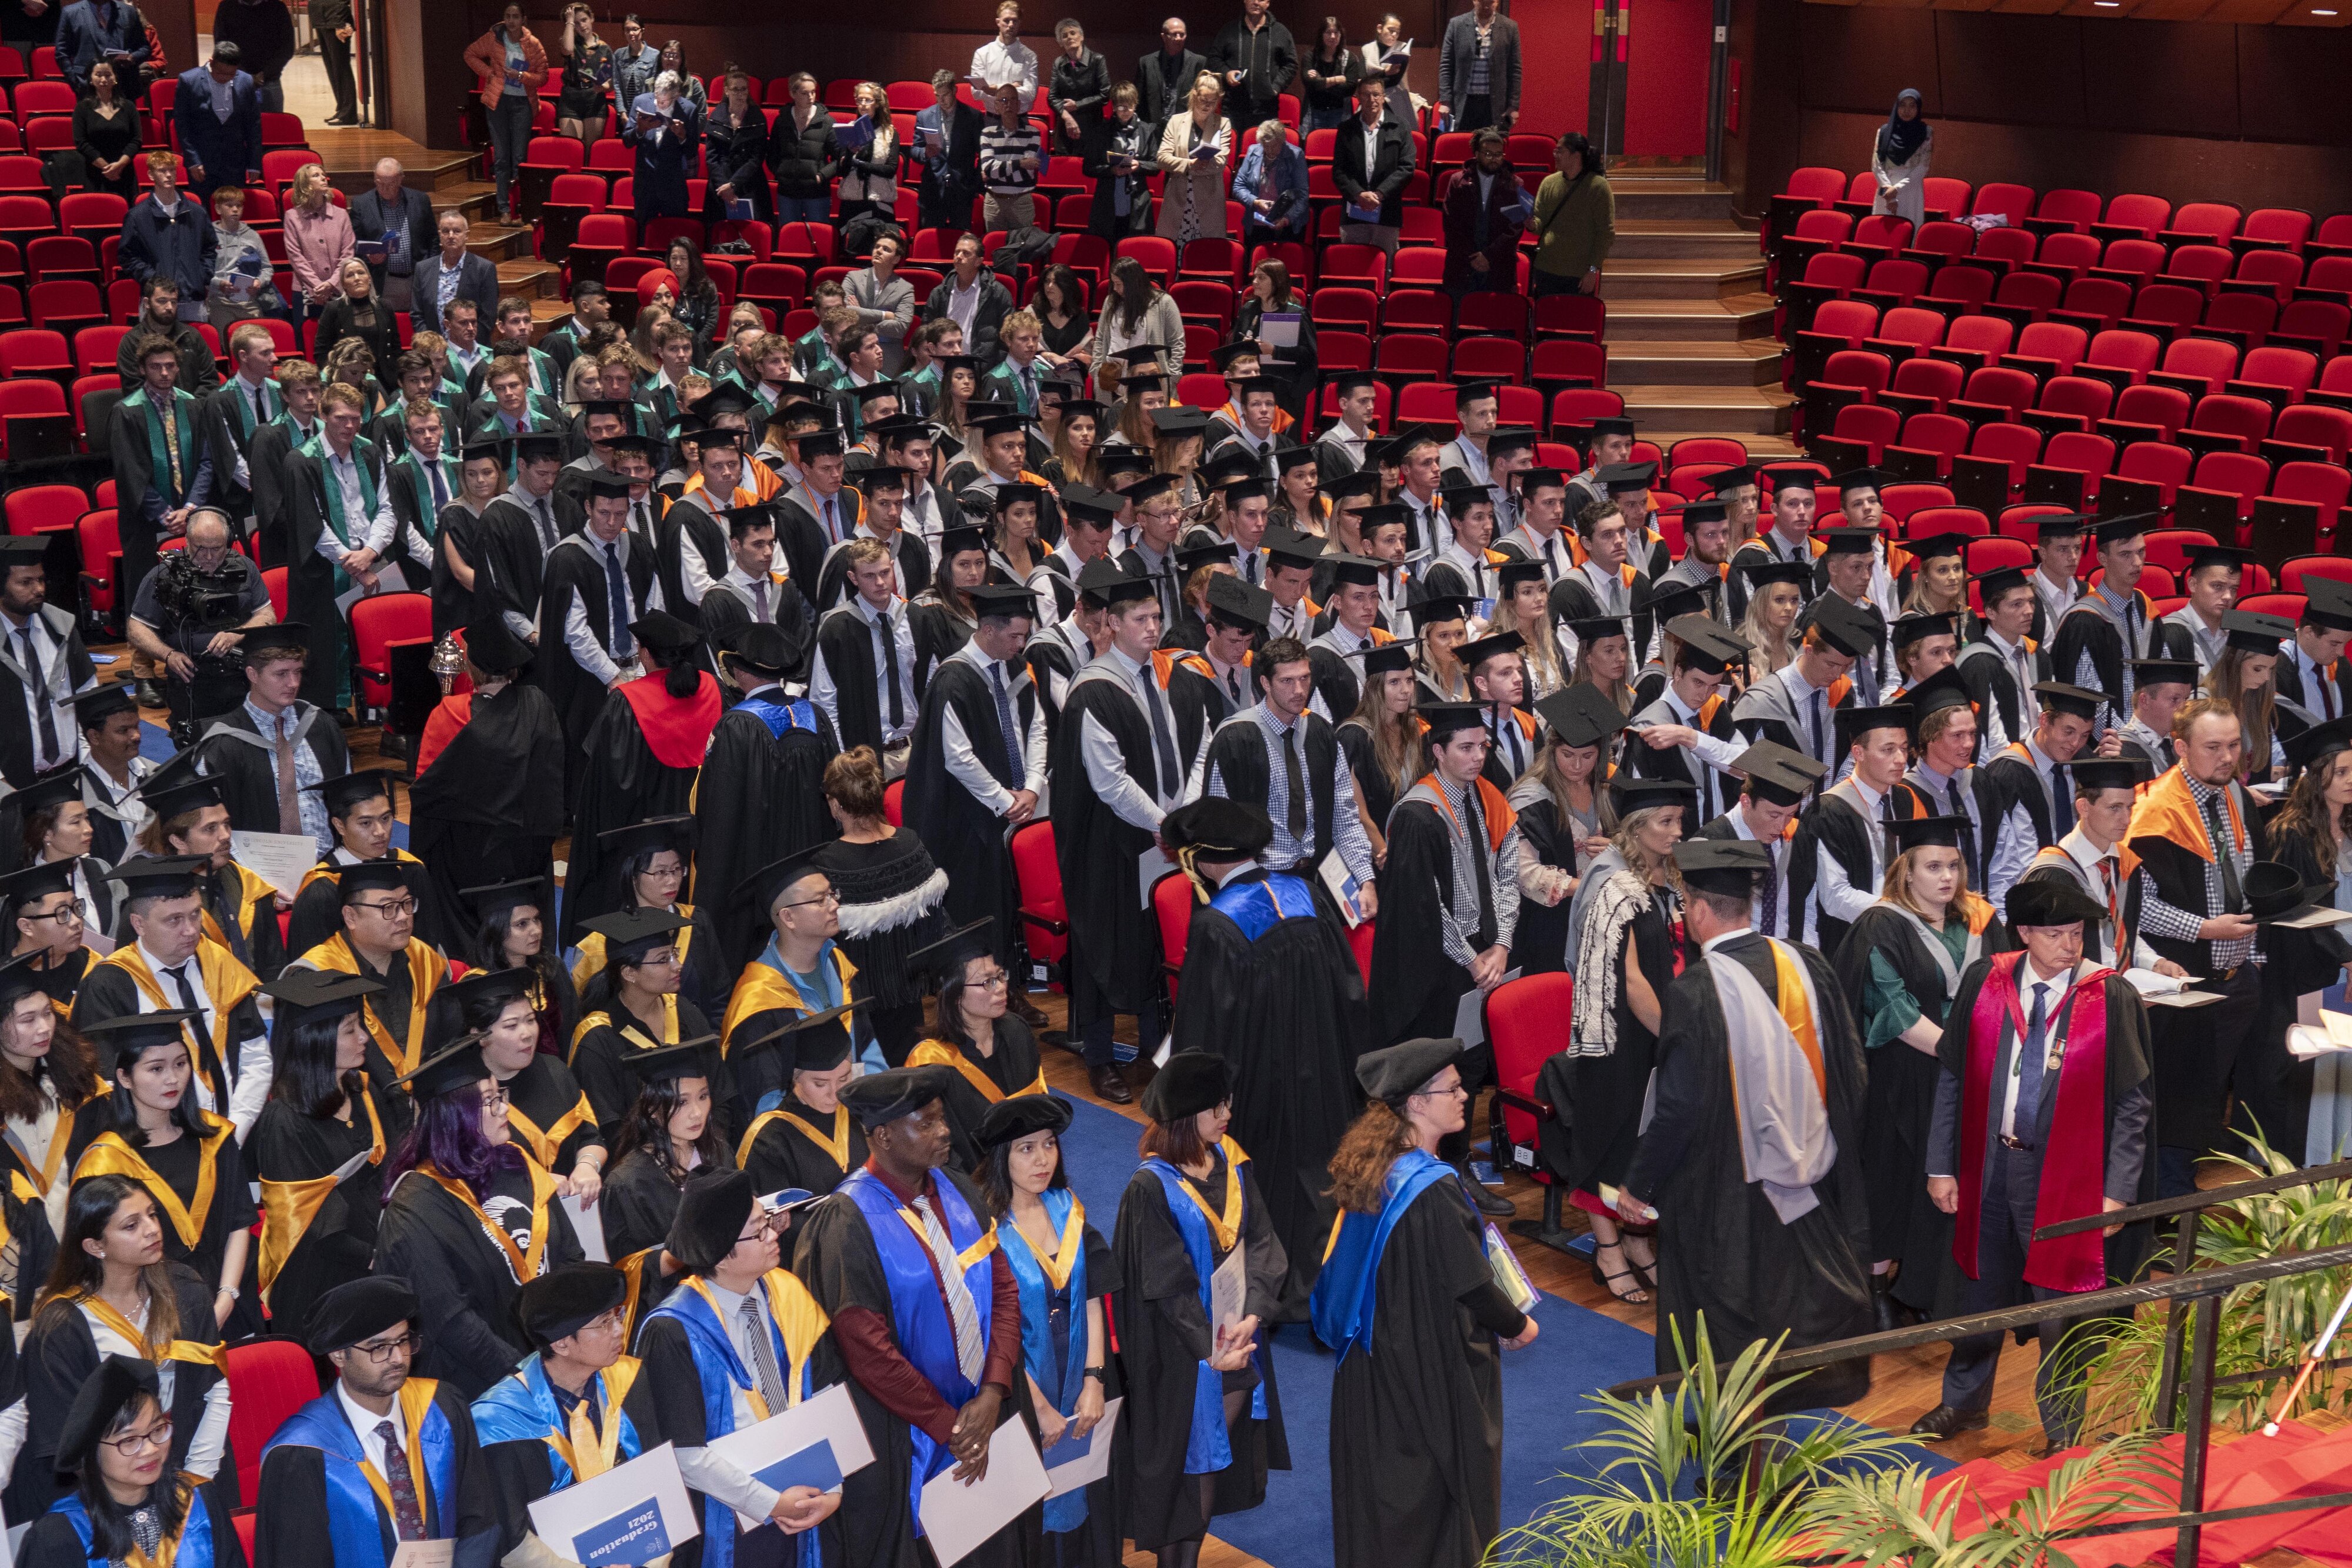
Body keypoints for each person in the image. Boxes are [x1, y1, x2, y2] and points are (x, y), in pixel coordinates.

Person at [1618, 838, 1875, 1414]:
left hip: (1727, 1197)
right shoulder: (1807, 964)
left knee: (1728, 1324)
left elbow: (1678, 1107)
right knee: (1788, 1311)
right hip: (1811, 1179)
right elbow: (1852, 1071)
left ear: (1697, 909)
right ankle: (1771, 1425)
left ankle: (1734, 1448)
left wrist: (1639, 1182)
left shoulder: (1695, 991)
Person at [1908, 876, 2153, 1446]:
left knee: (2058, 1308)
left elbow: (2133, 1101)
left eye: (2076, 933)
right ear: (2023, 933)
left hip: (2066, 1175)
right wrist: (1940, 1164)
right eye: (2054, 934)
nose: (2069, 946)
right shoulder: (1985, 981)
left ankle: (2063, 1427)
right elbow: (1952, 1076)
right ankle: (1963, 1403)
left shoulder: (2107, 995)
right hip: (1989, 1165)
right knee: (1977, 1291)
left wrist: (2118, 1189)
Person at [1315, 1038, 1537, 1568]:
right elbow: (1470, 1284)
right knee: (1434, 1492)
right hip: (1426, 1363)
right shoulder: (1429, 1187)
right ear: (1416, 1102)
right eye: (1453, 1089)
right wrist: (1517, 1325)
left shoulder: (1377, 1166)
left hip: (1374, 1357)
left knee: (1385, 1488)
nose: (1464, 1096)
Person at [792, 1068, 1025, 1568]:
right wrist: (950, 1427)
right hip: (905, 1438)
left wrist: (992, 1391)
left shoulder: (958, 1188)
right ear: (883, 1136)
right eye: (927, 1123)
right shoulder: (847, 1220)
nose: (944, 1131)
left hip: (984, 1415)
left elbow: (1004, 1289)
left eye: (942, 1119)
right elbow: (866, 1351)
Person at [1163, 795, 1367, 1315]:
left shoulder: (1217, 925)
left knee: (1268, 1180)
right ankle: (1328, 1290)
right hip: (1324, 1070)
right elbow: (1350, 992)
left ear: (1203, 860)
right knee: (1321, 1171)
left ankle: (1271, 1291)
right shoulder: (1306, 894)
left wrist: (1200, 1094)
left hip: (1262, 1083)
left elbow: (1207, 1029)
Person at [1829, 813, 2004, 1333]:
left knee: (1947, 1184)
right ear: (1905, 871)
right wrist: (1963, 1053)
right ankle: (1875, 1287)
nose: (1946, 877)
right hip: (1900, 1077)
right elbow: (1892, 1007)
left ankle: (1925, 1285)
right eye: (1932, 867)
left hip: (1965, 1075)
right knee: (1891, 1182)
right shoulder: (1880, 925)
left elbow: (2003, 988)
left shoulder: (1978, 921)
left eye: (1953, 865)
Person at [1112, 1051, 1288, 1566]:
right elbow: (1166, 1284)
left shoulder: (1230, 1162)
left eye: (1227, 1103)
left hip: (1235, 1336)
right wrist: (1211, 1350)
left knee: (1208, 1461)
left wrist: (1254, 1313)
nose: (1227, 1114)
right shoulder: (1150, 1187)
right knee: (1187, 1467)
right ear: (1187, 1116)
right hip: (1180, 1352)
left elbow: (1262, 1241)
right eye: (1217, 1107)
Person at [640, 1169, 842, 1567]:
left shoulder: (787, 1292)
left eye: (767, 1222)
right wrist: (770, 1503)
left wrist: (832, 1488)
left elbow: (825, 1393)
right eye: (758, 1230)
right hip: (727, 1514)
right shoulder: (673, 1330)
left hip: (806, 1495)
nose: (773, 1235)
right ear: (721, 1254)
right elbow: (684, 1453)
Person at [375, 1031, 584, 1399]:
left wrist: (571, 1352)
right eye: (490, 1101)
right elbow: (451, 1322)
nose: (504, 1109)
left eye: (500, 1095)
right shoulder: (414, 1209)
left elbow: (570, 1259)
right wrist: (530, 1379)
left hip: (557, 1367)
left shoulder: (519, 1164)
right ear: (456, 1116)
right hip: (480, 1393)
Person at [1049, 568, 1186, 1104]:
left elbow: (1176, 751)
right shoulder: (1092, 691)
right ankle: (1100, 1056)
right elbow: (1109, 782)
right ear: (1110, 622)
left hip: (1154, 838)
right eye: (1140, 618)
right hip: (1106, 845)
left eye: (1156, 616)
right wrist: (1163, 823)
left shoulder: (1159, 677)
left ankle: (1154, 1045)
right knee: (1102, 947)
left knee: (1152, 941)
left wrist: (1177, 815)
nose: (1152, 627)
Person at [21, 1174, 229, 1520]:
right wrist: (130, 1501)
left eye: (152, 1215)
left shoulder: (184, 1289)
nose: (152, 1229)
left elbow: (215, 1389)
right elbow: (65, 1439)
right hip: (104, 1496)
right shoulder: (60, 1328)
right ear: (95, 1246)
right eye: (132, 1225)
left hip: (191, 1466)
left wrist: (197, 1479)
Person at [252, 1275, 498, 1568]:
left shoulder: (442, 1408)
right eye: (379, 1348)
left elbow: (478, 1521)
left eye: (403, 1341)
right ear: (339, 1355)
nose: (398, 1359)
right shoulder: (301, 1453)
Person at [2127, 697, 2267, 1196]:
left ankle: (2183, 1198)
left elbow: (2250, 881)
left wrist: (2253, 959)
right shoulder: (2152, 811)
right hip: (2179, 984)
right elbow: (2135, 908)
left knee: (2206, 1100)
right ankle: (2167, 1210)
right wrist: (2204, 929)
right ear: (2180, 748)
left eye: (2232, 745)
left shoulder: (2235, 798)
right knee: (2173, 1104)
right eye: (2212, 747)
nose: (2226, 757)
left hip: (2236, 980)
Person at [975, 1093, 1117, 1560]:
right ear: (1002, 1157)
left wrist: (1094, 1381)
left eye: (1049, 1144)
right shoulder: (984, 1230)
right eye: (1026, 1148)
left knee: (1078, 1501)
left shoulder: (1066, 1207)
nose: (1042, 1159)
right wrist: (1037, 1406)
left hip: (1077, 1381)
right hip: (1018, 1391)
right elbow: (990, 1331)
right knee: (1027, 1521)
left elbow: (1092, 1299)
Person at [68, 1005, 259, 1340]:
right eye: (156, 1068)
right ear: (125, 1078)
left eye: (181, 1064)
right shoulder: (106, 1161)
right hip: (151, 1308)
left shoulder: (216, 1137)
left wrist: (226, 1298)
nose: (172, 1078)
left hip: (230, 1299)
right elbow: (107, 1257)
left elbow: (239, 1223)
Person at [471, 1262, 672, 1568]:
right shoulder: (500, 1420)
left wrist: (653, 1559)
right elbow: (513, 1539)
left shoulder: (630, 1380)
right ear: (562, 1343)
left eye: (616, 1315)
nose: (620, 1330)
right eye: (604, 1323)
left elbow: (658, 1479)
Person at [902, 582, 1048, 970]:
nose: (1022, 644)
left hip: (1016, 806)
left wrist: (1032, 788)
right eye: (1015, 636)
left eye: (1025, 635)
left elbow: (1036, 728)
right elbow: (958, 757)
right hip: (967, 819)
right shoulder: (953, 680)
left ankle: (1009, 977)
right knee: (979, 909)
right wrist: (1005, 799)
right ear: (987, 630)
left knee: (1011, 903)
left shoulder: (1014, 668)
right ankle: (976, 983)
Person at [244, 969, 393, 1340]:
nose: (364, 1038)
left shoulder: (364, 1093)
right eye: (350, 1030)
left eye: (361, 1026)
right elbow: (312, 1221)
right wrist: (378, 1256)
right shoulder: (284, 1120)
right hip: (318, 1278)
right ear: (316, 1041)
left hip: (376, 1259)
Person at [75, 852, 268, 1129]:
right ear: (139, 924)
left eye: (195, 915)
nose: (190, 930)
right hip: (156, 1139)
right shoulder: (109, 984)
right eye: (174, 920)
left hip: (237, 1130)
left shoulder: (220, 964)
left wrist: (234, 1130)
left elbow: (255, 1056)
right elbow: (106, 1082)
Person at [405, 615, 565, 936]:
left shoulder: (449, 713)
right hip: (526, 847)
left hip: (467, 853)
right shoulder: (539, 704)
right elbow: (551, 779)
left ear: (471, 667)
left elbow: (426, 791)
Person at [20, 1355, 242, 1568]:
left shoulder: (200, 1501)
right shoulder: (58, 1537)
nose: (151, 1449)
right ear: (92, 1450)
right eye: (129, 1440)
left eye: (157, 1430)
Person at [282, 859, 452, 1100]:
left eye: (407, 904)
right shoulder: (316, 976)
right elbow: (307, 1072)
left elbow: (451, 1039)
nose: (403, 917)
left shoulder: (426, 962)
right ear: (351, 917)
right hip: (355, 1109)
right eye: (388, 908)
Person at [189, 623, 351, 848]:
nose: (293, 683)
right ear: (253, 675)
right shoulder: (223, 745)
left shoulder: (321, 725)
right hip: (253, 866)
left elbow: (348, 798)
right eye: (281, 674)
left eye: (297, 672)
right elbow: (205, 823)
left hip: (327, 861)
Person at [902, 920, 1047, 1169]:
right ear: (955, 994)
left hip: (1029, 1167)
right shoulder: (930, 1065)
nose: (1001, 988)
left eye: (1000, 976)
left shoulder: (1017, 1031)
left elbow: (1041, 1110)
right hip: (972, 1181)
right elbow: (940, 1152)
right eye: (987, 982)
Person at [596, 1041, 726, 1263]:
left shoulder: (718, 1151)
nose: (697, 1113)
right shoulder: (626, 1185)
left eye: (703, 1097)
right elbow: (631, 1268)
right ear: (652, 1109)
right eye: (682, 1102)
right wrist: (691, 1254)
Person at [465, 4, 546, 221]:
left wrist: (521, 76)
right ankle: (504, 209)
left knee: (519, 158)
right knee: (501, 158)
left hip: (522, 104)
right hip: (498, 103)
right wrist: (489, 73)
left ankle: (519, 209)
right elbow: (470, 54)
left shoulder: (533, 44)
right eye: (508, 16)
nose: (511, 21)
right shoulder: (494, 38)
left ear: (523, 20)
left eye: (516, 17)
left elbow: (543, 77)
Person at [1443, 131, 1530, 298]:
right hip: (1462, 265)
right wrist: (1473, 257)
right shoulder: (1457, 181)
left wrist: (1488, 256)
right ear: (1477, 154)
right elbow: (1451, 223)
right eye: (1489, 154)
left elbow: (1515, 228)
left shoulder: (1514, 184)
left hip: (1499, 267)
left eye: (1499, 155)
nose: (1494, 159)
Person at [1333, 78, 1413, 258]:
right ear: (1358, 97)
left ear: (1383, 97)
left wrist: (1380, 194)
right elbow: (1339, 171)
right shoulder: (1346, 129)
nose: (1372, 100)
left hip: (1387, 210)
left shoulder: (1400, 127)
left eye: (1376, 94)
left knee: (1386, 265)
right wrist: (1359, 194)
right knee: (1353, 265)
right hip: (1354, 211)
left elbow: (1407, 168)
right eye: (1366, 95)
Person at [1527, 132, 1613, 298]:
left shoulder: (1598, 187)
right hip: (1546, 268)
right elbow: (1540, 223)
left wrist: (1593, 270)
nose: (1555, 155)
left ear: (1576, 155)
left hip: (1578, 273)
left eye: (1560, 151)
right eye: (1555, 151)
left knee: (1574, 314)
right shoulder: (1549, 183)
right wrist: (1532, 224)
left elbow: (1605, 233)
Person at [1156, 73, 1232, 245]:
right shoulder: (1176, 121)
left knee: (1205, 253)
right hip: (1178, 199)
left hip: (1209, 202)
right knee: (1174, 251)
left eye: (1212, 101)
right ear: (1194, 95)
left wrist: (1191, 166)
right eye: (1204, 100)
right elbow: (1162, 159)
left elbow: (1220, 163)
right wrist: (1189, 164)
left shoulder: (1223, 124)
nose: (1207, 105)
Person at [282, 164, 355, 332]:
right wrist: (318, 286)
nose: (323, 178)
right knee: (309, 339)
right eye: (316, 175)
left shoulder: (341, 215)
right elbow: (295, 257)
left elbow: (348, 253)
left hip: (339, 289)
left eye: (323, 174)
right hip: (306, 291)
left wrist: (331, 283)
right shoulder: (292, 217)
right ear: (304, 184)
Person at [914, 67, 985, 235]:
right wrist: (925, 153)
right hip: (932, 189)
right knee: (930, 238)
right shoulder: (924, 116)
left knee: (960, 239)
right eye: (937, 95)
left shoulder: (973, 117)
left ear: (954, 90)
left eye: (945, 95)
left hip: (962, 189)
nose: (941, 100)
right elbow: (915, 150)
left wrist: (973, 184)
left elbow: (983, 153)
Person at [411, 212, 501, 341]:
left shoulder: (484, 269)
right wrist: (431, 344)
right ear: (440, 235)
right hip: (433, 347)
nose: (451, 236)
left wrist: (466, 343)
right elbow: (417, 314)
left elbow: (488, 317)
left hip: (470, 346)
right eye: (446, 231)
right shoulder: (423, 268)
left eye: (457, 231)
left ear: (466, 235)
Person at [1438, 0, 1520, 133]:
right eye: (1482, 1)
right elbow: (1446, 65)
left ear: (1497, 2)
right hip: (1464, 103)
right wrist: (1445, 101)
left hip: (1495, 105)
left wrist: (1513, 106)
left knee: (1493, 143)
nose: (1486, 6)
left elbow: (1515, 70)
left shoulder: (1510, 27)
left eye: (1491, 2)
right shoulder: (1456, 25)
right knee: (1462, 143)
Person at [72, 59, 141, 198]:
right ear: (91, 80)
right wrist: (106, 168)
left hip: (125, 171)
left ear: (115, 78)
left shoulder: (129, 107)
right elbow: (81, 142)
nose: (104, 80)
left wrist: (119, 165)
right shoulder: (82, 108)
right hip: (95, 173)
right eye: (98, 75)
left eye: (108, 75)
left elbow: (136, 140)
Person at [211, 0, 293, 113]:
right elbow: (222, 46)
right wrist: (244, 75)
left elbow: (287, 48)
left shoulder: (277, 8)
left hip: (270, 81)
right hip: (236, 80)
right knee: (236, 123)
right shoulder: (227, 7)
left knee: (272, 122)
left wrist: (265, 74)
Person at [1870, 88, 1933, 228]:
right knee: (1882, 233)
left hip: (1910, 191)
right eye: (1902, 105)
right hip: (1885, 190)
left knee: (1907, 230)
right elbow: (1876, 165)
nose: (1907, 110)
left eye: (1912, 106)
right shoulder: (1884, 131)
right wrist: (1888, 189)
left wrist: (1897, 189)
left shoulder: (1925, 133)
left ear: (1918, 108)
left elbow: (1922, 167)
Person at [1299, 15, 1358, 133]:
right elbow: (1309, 84)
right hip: (1314, 112)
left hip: (1340, 112)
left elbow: (1350, 88)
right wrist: (1336, 80)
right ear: (1321, 35)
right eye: (1328, 33)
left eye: (1336, 33)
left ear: (1341, 35)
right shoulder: (1310, 57)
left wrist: (1319, 81)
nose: (1333, 37)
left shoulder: (1349, 58)